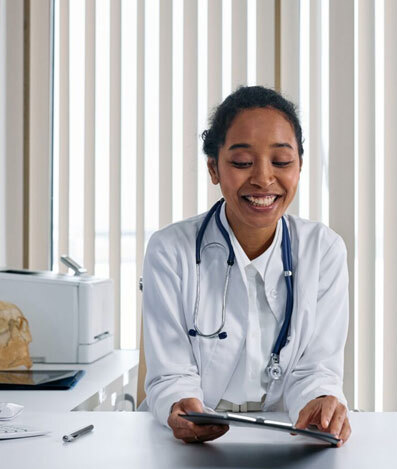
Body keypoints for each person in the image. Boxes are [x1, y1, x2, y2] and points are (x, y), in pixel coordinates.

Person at [142, 86, 351, 445]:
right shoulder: (169, 250)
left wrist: (320, 403)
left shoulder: (323, 250)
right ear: (214, 168)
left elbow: (317, 369)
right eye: (241, 163)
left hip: (287, 439)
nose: (263, 178)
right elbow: (170, 373)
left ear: (299, 167)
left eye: (282, 162)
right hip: (190, 447)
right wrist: (181, 406)